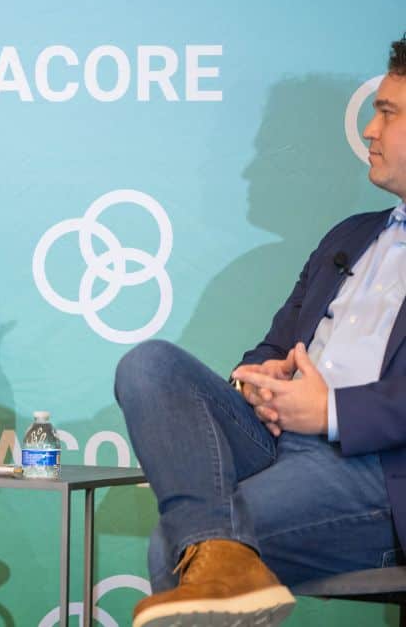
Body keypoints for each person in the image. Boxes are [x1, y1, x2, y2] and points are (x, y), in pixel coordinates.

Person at [115, 33, 406, 627]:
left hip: (374, 471)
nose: (369, 132)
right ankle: (222, 557)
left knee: (174, 548)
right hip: (275, 441)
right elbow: (274, 346)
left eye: (388, 112)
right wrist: (259, 380)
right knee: (149, 365)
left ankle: (219, 560)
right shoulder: (350, 235)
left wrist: (330, 411)